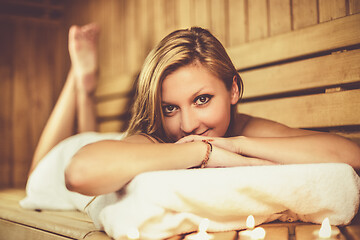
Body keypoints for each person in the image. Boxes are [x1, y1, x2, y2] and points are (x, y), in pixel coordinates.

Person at [29, 23, 360, 197]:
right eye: (169, 108)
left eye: (202, 99)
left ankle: (85, 88)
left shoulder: (241, 130)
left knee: (96, 134)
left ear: (232, 89)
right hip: (66, 159)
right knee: (39, 171)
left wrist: (233, 145)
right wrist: (204, 152)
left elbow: (348, 153)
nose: (187, 125)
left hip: (110, 143)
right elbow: (79, 173)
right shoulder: (156, 137)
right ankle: (79, 82)